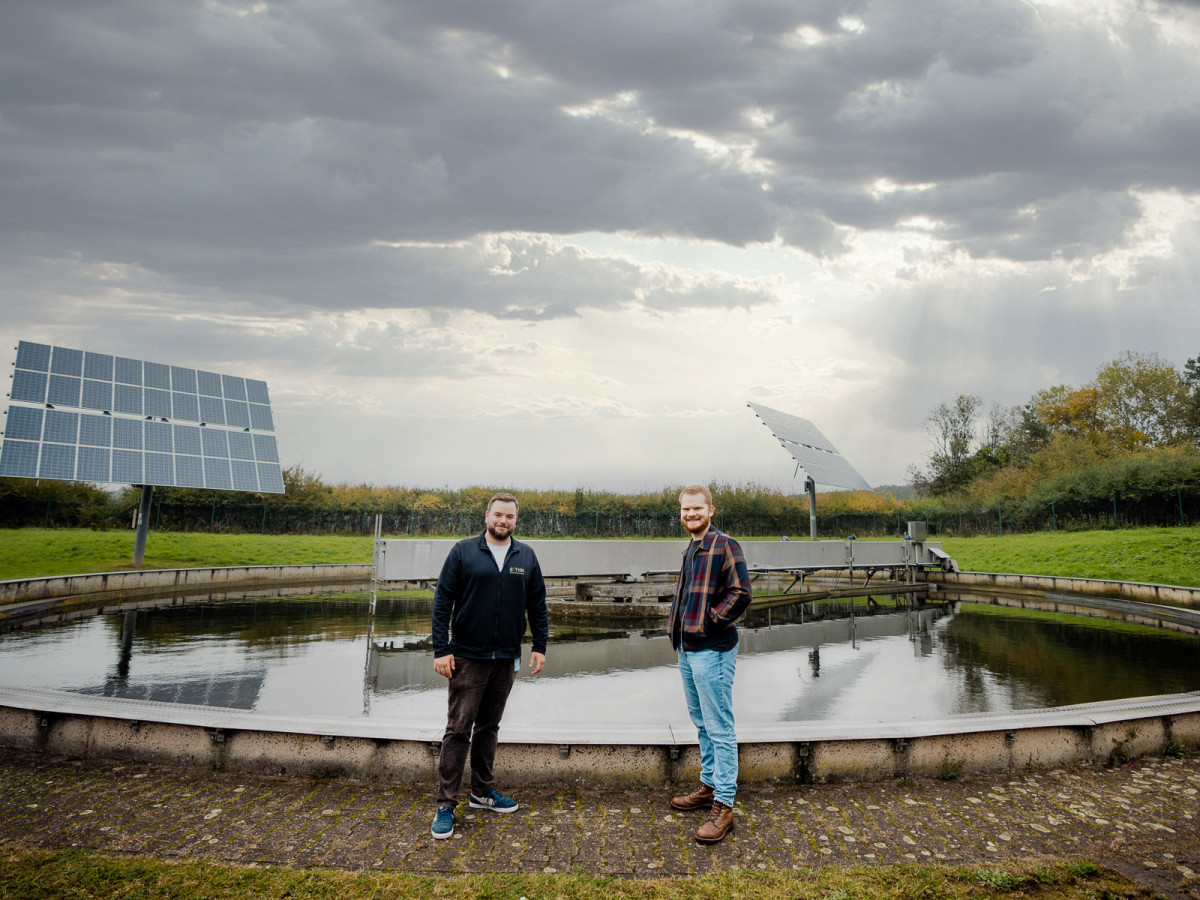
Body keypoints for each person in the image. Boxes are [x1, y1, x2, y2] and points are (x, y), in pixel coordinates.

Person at [429, 492, 548, 840]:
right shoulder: (463, 551)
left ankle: (482, 793)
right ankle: (445, 805)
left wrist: (539, 645)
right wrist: (441, 649)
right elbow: (442, 602)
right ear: (487, 516)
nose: (503, 521)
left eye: (510, 516)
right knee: (457, 729)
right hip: (467, 657)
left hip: (506, 658)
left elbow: (537, 604)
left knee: (489, 728)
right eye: (498, 515)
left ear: (515, 520)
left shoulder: (525, 555)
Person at [667, 485, 752, 844]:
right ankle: (708, 785)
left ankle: (725, 806)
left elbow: (742, 593)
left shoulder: (725, 545)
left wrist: (708, 621)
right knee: (702, 722)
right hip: (688, 650)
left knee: (719, 726)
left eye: (697, 509)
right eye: (686, 509)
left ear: (711, 510)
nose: (691, 514)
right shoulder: (691, 548)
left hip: (712, 650)